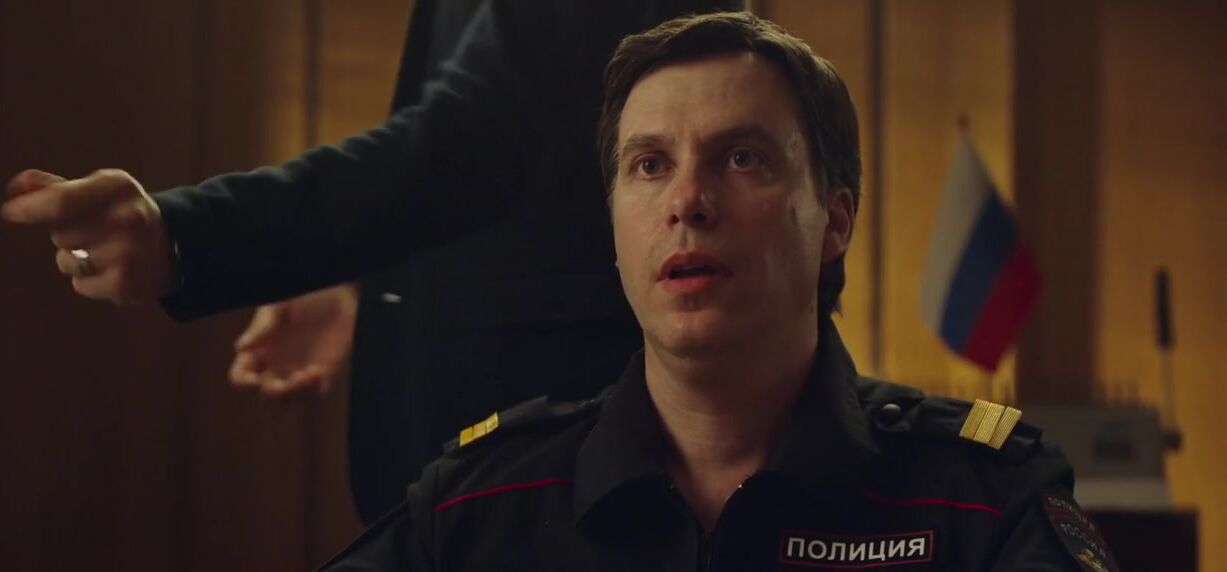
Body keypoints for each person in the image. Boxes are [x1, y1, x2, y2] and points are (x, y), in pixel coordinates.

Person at [317, 12, 1119, 571]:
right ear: (615, 228)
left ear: (834, 222)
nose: (687, 201)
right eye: (649, 164)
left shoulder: (980, 502)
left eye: (741, 159)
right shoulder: (481, 508)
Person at [1, 0, 738, 525]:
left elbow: (473, 143)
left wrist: (186, 235)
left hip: (566, 464)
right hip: (499, 464)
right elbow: (540, 157)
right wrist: (369, 283)